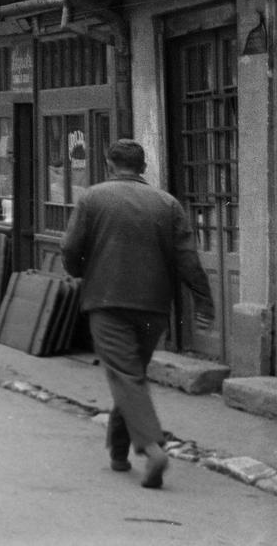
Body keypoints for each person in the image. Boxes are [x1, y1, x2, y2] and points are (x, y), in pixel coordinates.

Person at [61, 139, 213, 490]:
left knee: (126, 375)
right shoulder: (167, 203)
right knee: (130, 374)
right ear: (143, 166)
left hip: (107, 301)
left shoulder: (92, 198)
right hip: (153, 306)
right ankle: (118, 451)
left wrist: (82, 269)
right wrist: (204, 302)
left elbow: (70, 249)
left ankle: (150, 446)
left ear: (108, 163)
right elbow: (188, 259)